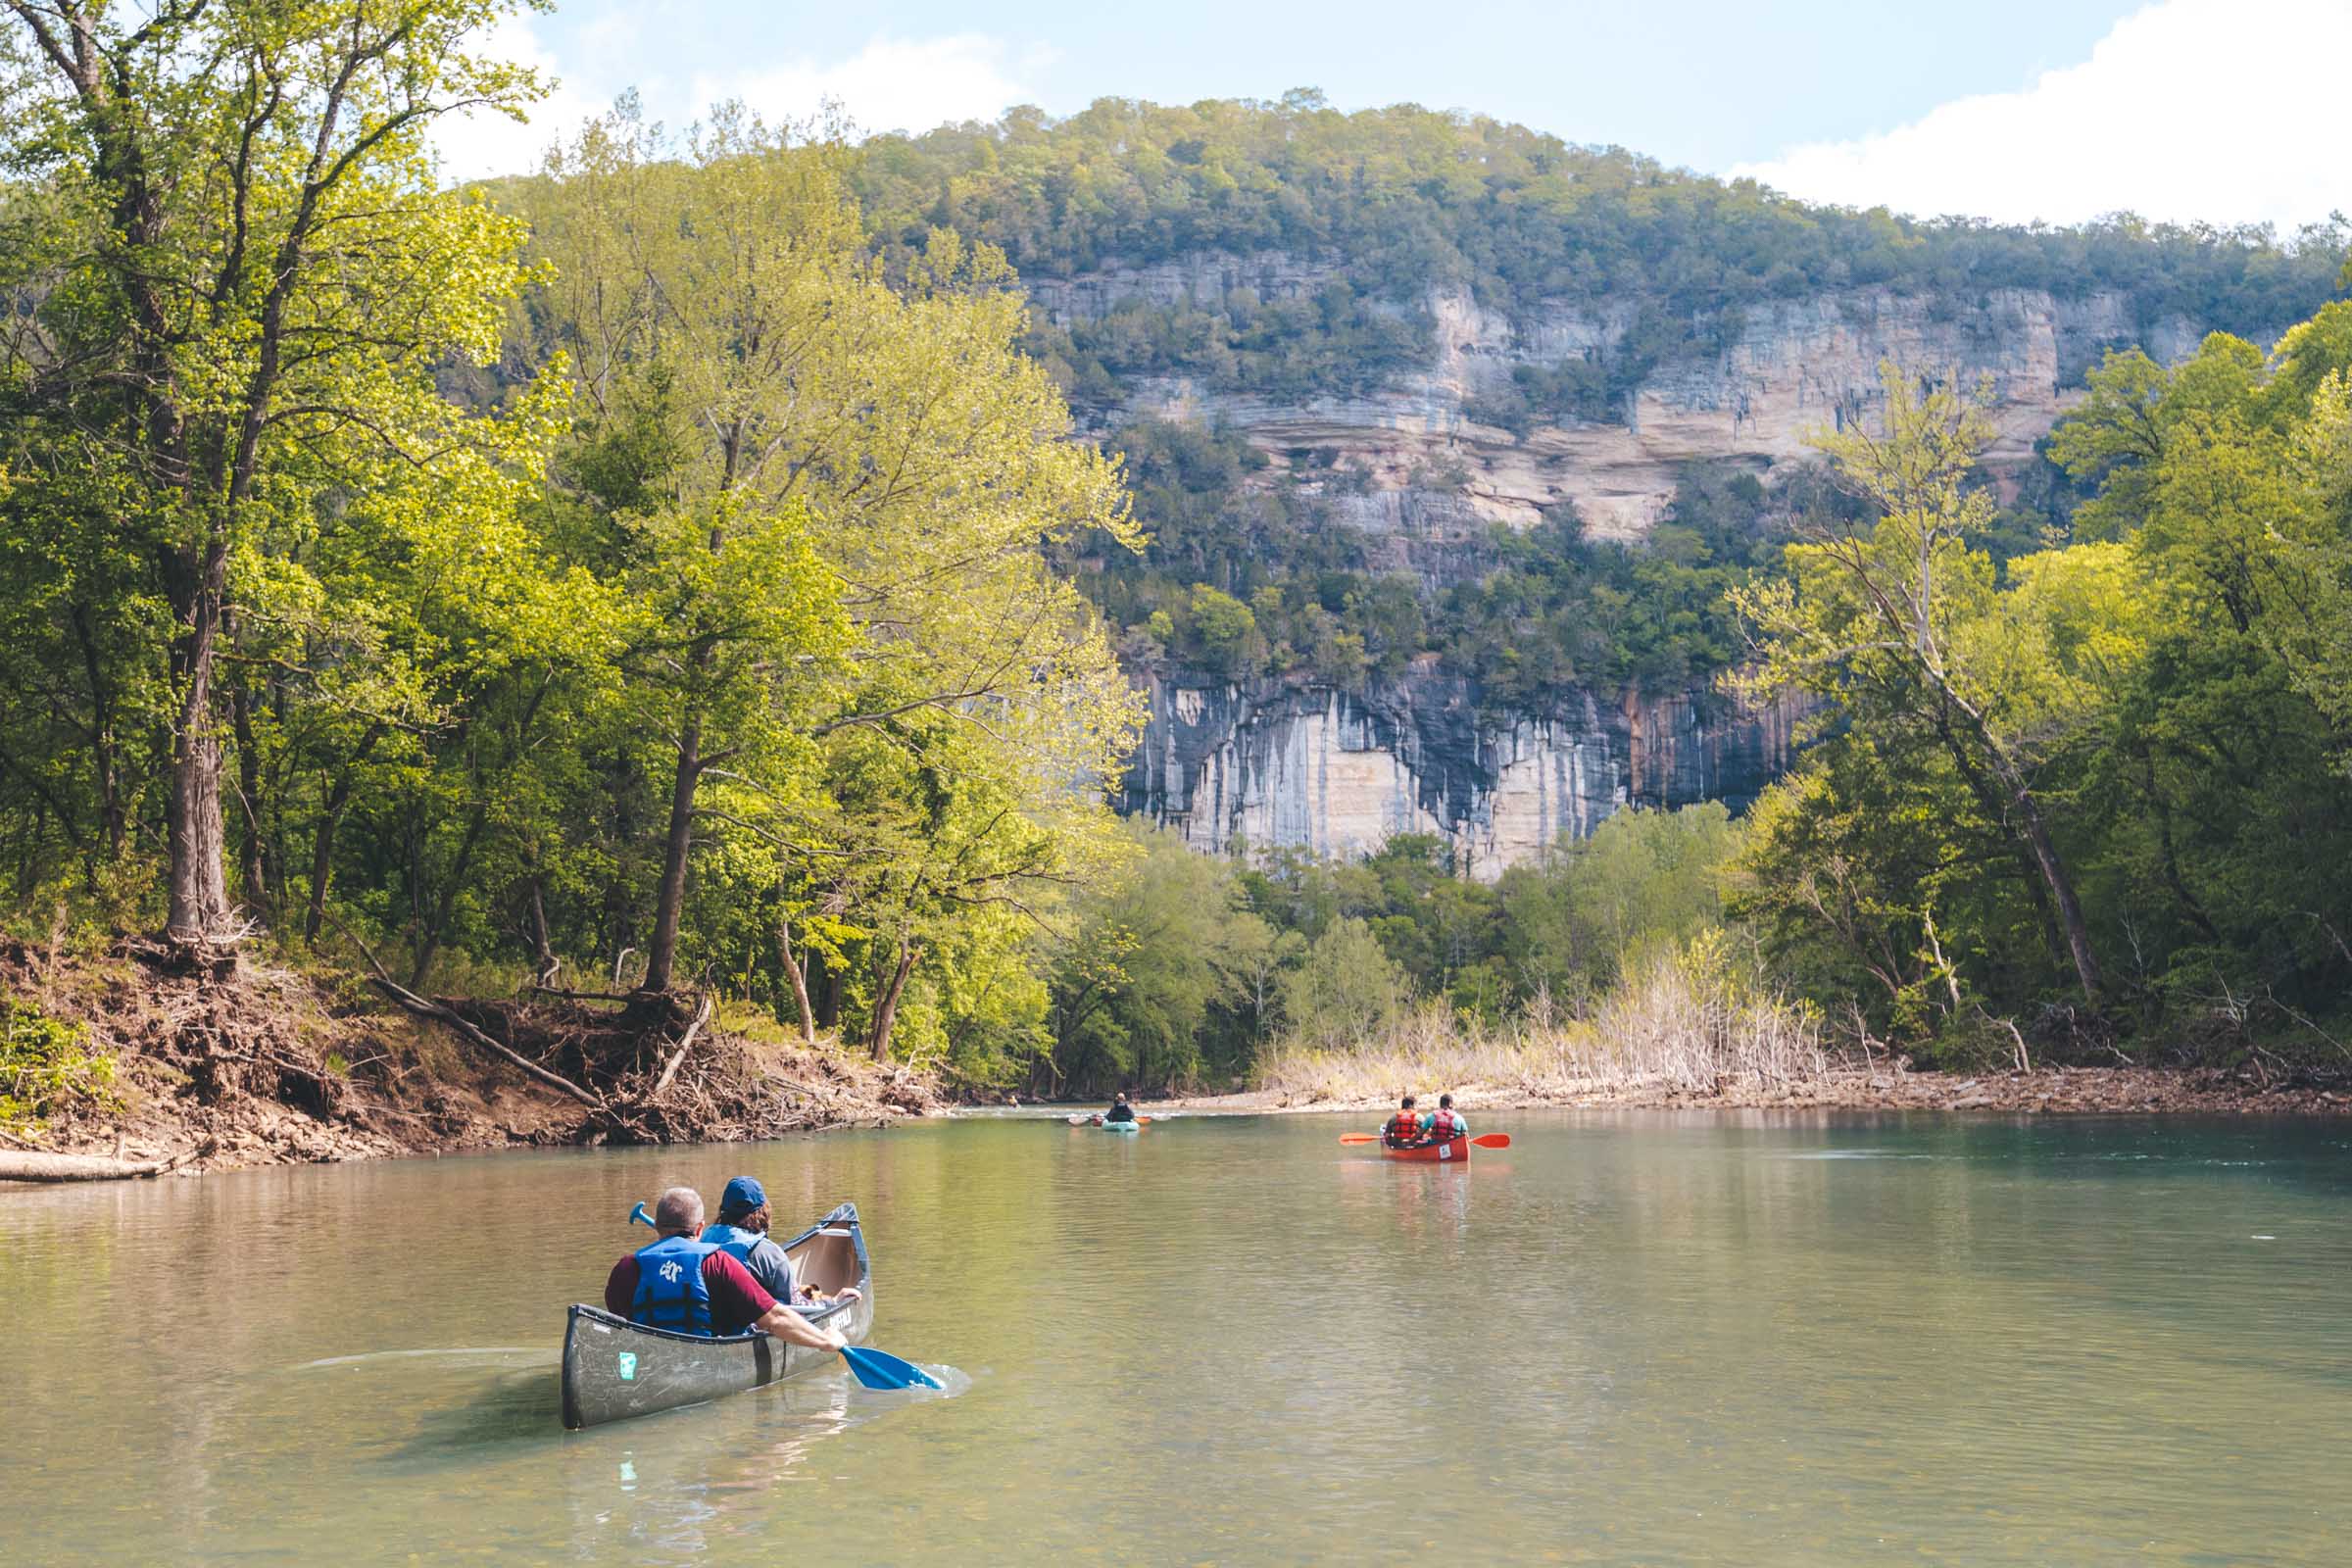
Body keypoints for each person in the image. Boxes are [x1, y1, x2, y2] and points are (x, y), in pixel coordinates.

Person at [605, 1186, 850, 1355]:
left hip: (650, 1362)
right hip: (706, 1362)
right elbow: (775, 1319)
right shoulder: (719, 1263)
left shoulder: (626, 1268)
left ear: (657, 1226)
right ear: (700, 1228)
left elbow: (620, 1328)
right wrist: (826, 1341)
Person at [700, 1176, 861, 1309]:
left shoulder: (702, 1241)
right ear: (762, 1211)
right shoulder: (769, 1253)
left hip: (713, 1325)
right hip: (755, 1327)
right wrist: (833, 1301)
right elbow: (795, 1306)